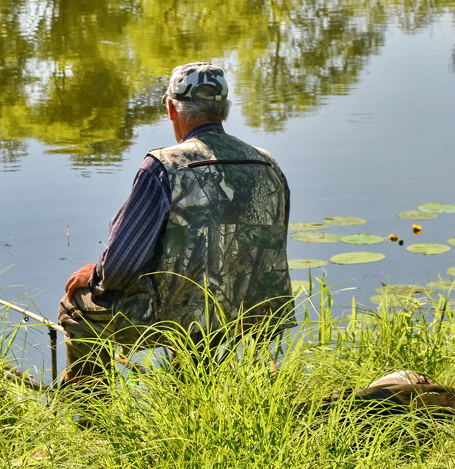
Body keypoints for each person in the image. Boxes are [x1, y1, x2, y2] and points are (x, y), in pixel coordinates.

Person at [57, 61, 294, 383]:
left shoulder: (163, 165)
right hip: (252, 314)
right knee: (197, 307)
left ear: (171, 107)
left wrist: (95, 276)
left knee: (75, 307)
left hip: (182, 317)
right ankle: (193, 395)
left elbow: (119, 268)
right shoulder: (267, 162)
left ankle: (90, 416)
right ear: (224, 108)